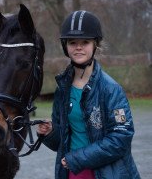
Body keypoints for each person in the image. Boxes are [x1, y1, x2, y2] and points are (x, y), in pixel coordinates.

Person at [37, 10, 140, 179]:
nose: (78, 47)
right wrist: (50, 133)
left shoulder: (111, 89)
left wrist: (77, 158)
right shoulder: (62, 89)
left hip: (107, 173)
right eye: (72, 42)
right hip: (72, 171)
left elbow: (121, 139)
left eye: (85, 42)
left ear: (95, 45)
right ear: (65, 46)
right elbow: (62, 141)